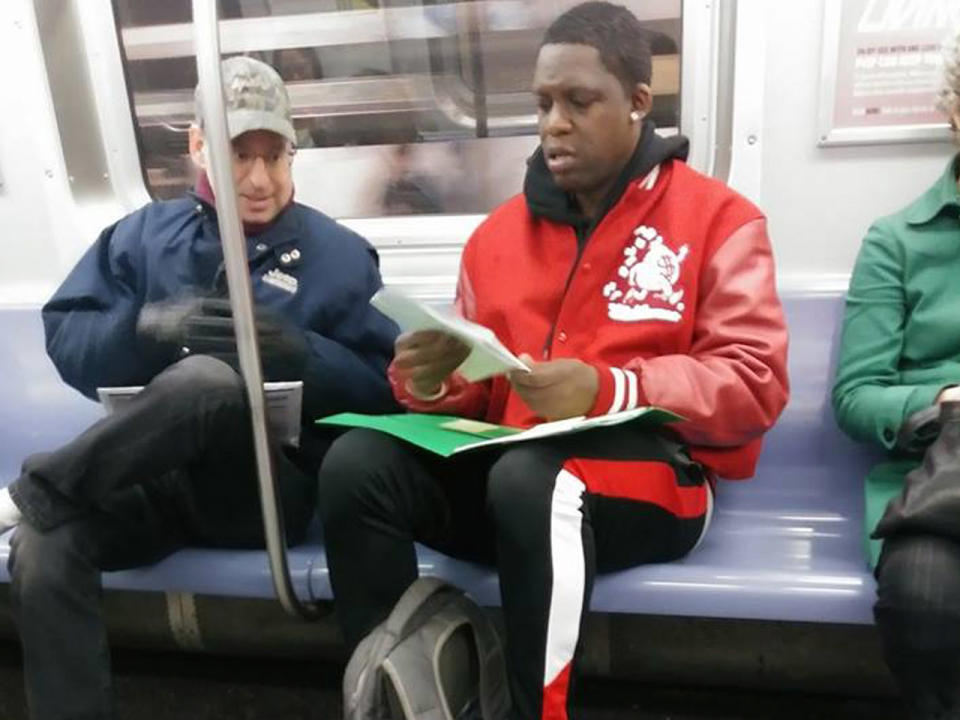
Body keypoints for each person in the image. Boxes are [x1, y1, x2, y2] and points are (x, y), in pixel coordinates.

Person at [316, 4, 789, 719]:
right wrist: (437, 382)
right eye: (542, 104)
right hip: (513, 470)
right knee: (357, 465)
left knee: (537, 478)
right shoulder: (496, 238)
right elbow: (485, 398)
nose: (553, 123)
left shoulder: (718, 221)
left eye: (579, 101)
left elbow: (755, 383)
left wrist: (609, 388)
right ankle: (399, 699)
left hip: (657, 477)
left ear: (637, 103)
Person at [0, 56, 398, 720]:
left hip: (265, 492)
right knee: (45, 544)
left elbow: (389, 394)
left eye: (277, 157)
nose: (261, 179)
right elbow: (67, 342)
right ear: (197, 146)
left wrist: (307, 355)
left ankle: (30, 491)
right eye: (241, 155)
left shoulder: (338, 255)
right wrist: (145, 330)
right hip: (149, 485)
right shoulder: (142, 239)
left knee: (214, 380)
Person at [833, 30, 960, 720]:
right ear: (956, 113)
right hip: (939, 482)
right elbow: (856, 398)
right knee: (924, 596)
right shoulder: (899, 241)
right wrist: (943, 398)